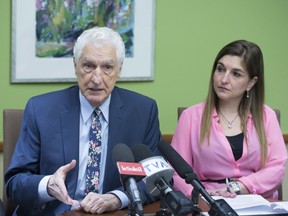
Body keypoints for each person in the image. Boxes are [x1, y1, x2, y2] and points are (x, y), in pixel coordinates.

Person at [5, 27, 162, 215]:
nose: (96, 78)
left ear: (119, 70)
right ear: (75, 66)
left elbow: (157, 180)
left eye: (107, 67)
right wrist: (48, 185)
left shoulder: (143, 112)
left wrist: (117, 198)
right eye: (88, 65)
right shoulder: (40, 110)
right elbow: (14, 184)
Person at [171, 40, 287, 200]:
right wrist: (200, 193)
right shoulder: (190, 117)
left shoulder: (266, 115)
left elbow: (277, 166)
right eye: (220, 69)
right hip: (208, 202)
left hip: (257, 201)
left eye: (236, 74)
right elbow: (176, 173)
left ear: (251, 83)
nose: (224, 79)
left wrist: (239, 187)